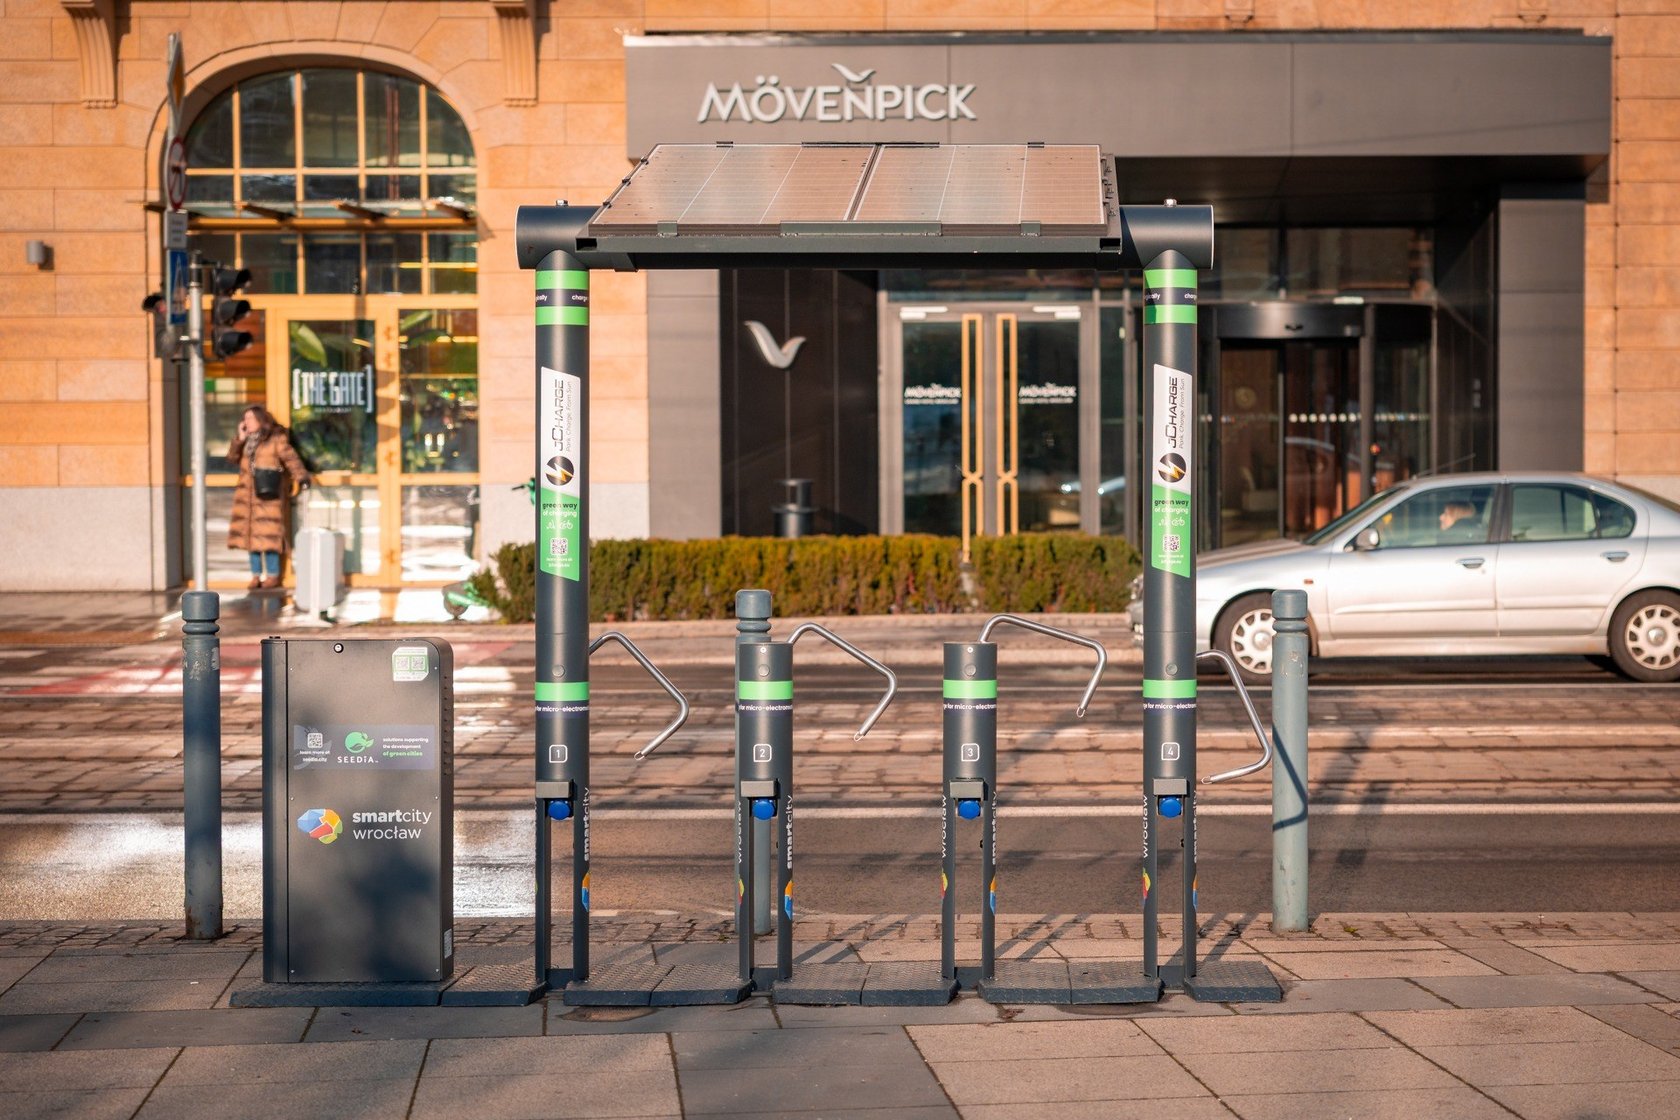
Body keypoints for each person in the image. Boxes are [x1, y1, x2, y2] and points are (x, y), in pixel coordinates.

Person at [226, 405, 312, 590]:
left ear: (261, 420)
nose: (246, 422)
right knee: (251, 539)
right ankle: (255, 575)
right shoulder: (246, 441)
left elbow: (291, 459)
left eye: (250, 418)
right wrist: (239, 439)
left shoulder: (275, 439)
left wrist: (302, 477)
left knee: (269, 538)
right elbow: (232, 458)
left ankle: (273, 575)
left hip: (268, 496)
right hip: (247, 498)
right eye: (245, 419)